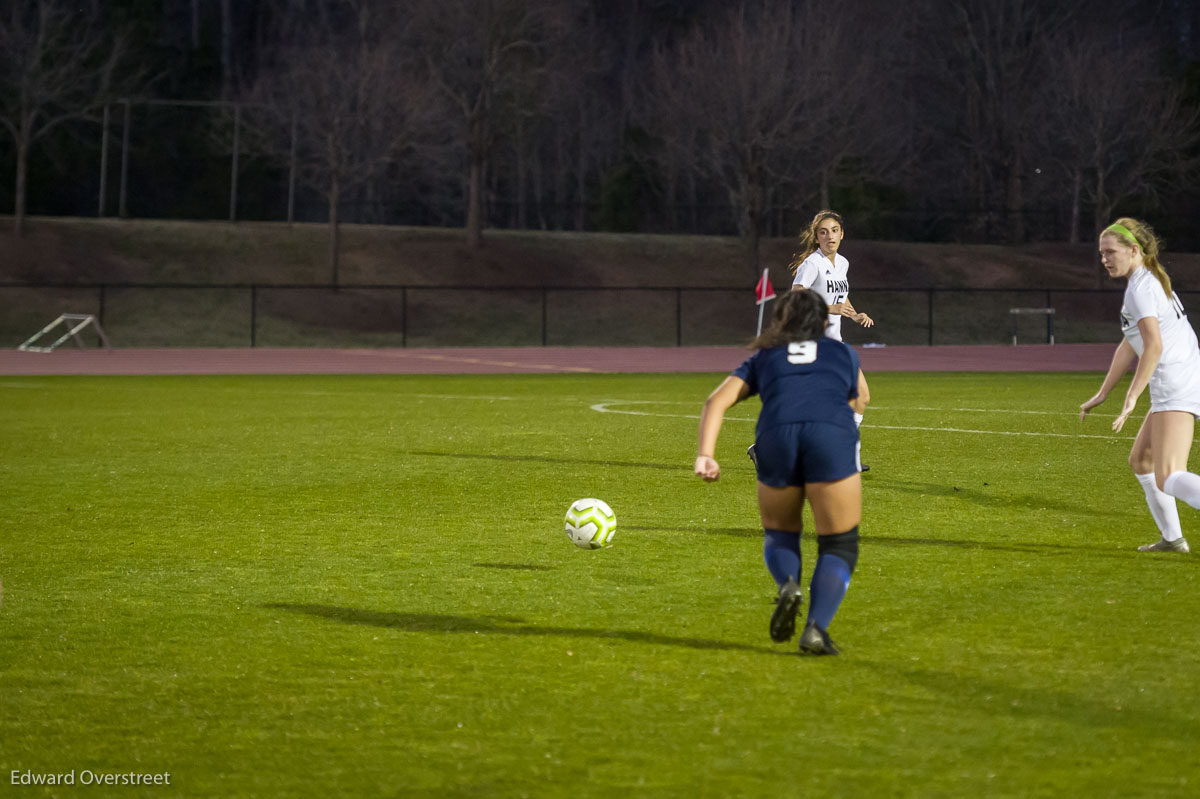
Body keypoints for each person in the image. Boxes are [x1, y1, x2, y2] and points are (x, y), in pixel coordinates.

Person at [696, 288, 868, 654]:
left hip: (777, 437)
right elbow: (858, 399)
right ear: (824, 321)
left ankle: (789, 583)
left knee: (780, 534)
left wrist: (705, 455)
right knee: (839, 543)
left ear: (781, 322)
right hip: (829, 436)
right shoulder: (841, 352)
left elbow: (716, 401)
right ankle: (816, 629)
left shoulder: (765, 356)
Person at [1080, 217, 1200, 553]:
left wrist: (1132, 396)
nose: (1104, 259)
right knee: (1142, 460)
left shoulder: (1142, 288)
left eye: (1110, 252)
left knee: (1169, 475)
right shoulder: (1146, 280)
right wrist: (1104, 392)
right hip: (1182, 376)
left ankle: (1174, 539)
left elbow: (1154, 346)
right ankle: (1173, 540)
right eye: (1101, 253)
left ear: (1134, 250)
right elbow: (1129, 343)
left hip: (1176, 381)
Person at [790, 210, 874, 469]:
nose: (830, 236)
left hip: (833, 341)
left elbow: (840, 295)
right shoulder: (811, 264)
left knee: (861, 397)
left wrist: (854, 313)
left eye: (834, 230)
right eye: (823, 232)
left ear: (842, 234)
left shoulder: (843, 263)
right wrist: (830, 309)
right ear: (816, 237)